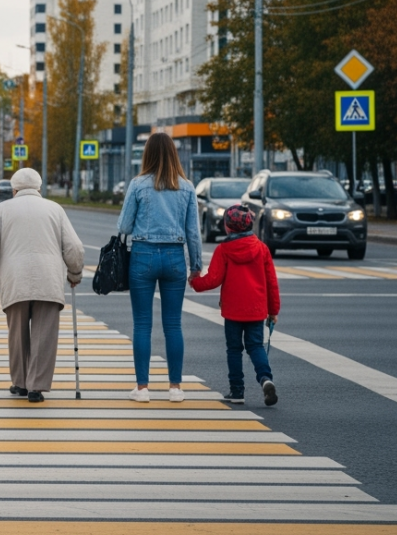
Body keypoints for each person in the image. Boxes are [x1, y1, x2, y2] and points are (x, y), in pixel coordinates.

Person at [0, 168, 84, 403]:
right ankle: (36, 386)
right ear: (39, 188)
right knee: (45, 336)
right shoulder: (55, 209)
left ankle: (20, 383)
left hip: (15, 281)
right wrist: (74, 273)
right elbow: (73, 247)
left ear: (13, 189)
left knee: (17, 334)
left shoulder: (2, 210)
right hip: (49, 280)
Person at [117, 132, 202, 403]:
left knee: (142, 324)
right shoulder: (187, 187)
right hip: (175, 257)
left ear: (148, 154)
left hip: (143, 255)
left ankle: (142, 389)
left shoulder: (138, 184)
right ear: (174, 154)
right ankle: (175, 388)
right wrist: (196, 266)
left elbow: (124, 227)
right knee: (173, 325)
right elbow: (193, 232)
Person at [189, 205, 281, 406]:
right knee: (255, 346)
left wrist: (195, 282)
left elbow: (213, 279)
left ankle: (237, 391)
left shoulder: (223, 250)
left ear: (227, 227)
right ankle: (265, 379)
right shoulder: (262, 248)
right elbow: (271, 282)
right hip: (256, 310)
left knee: (234, 349)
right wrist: (273, 310)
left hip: (232, 311)